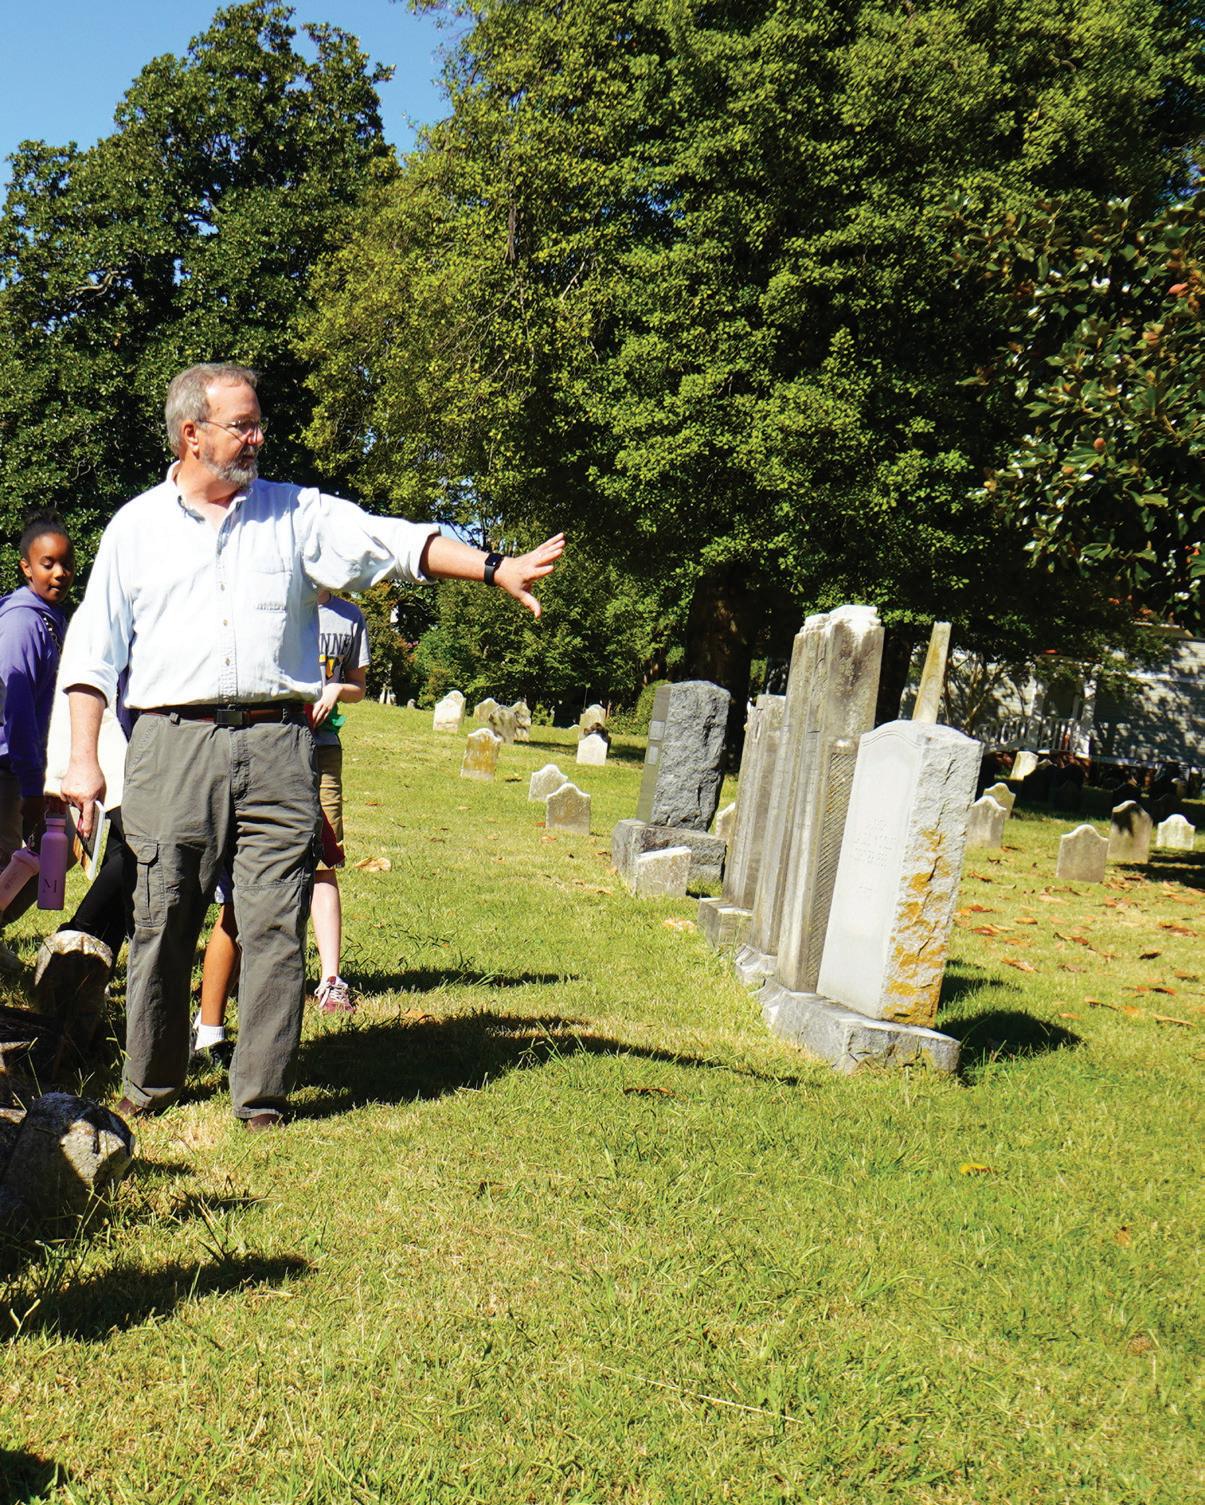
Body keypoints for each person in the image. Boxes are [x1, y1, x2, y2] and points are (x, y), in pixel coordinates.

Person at [60, 361, 563, 1130]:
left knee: (273, 921)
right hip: (171, 743)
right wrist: (84, 760)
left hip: (278, 745)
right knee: (163, 917)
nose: (258, 438)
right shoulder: (136, 527)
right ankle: (150, 1082)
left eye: (258, 423)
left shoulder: (295, 513)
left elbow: (392, 543)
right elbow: (91, 654)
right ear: (191, 433)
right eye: (242, 425)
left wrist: (495, 568)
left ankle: (260, 1096)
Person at [193, 587, 368, 1062]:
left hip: (318, 748)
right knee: (237, 890)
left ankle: (328, 980)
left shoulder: (349, 618)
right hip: (262, 747)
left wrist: (336, 689)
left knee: (316, 863)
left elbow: (358, 683)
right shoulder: (268, 598)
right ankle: (208, 1021)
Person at [0, 512, 75, 969]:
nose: (60, 573)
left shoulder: (50, 619)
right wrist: (31, 785)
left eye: (66, 563)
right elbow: (17, 709)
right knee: (16, 857)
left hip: (30, 767)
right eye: (48, 563)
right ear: (26, 567)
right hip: (9, 767)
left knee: (54, 854)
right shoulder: (22, 624)